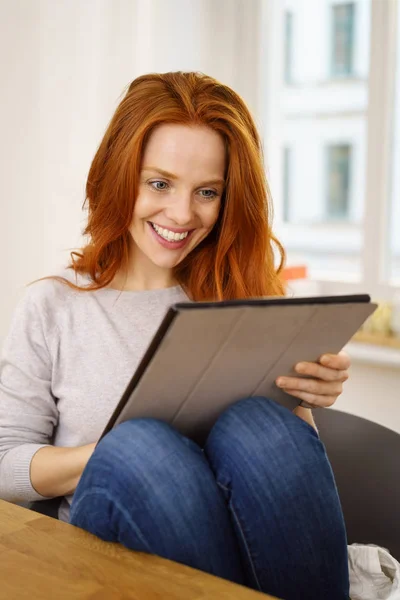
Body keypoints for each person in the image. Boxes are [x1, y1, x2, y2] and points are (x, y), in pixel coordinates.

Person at [0, 72, 351, 600]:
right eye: (159, 183)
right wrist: (103, 452)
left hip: (246, 554)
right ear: (120, 176)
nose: (183, 214)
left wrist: (302, 400)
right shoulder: (54, 306)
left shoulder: (246, 297)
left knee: (261, 425)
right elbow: (5, 465)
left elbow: (286, 491)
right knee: (141, 445)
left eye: (207, 192)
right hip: (109, 552)